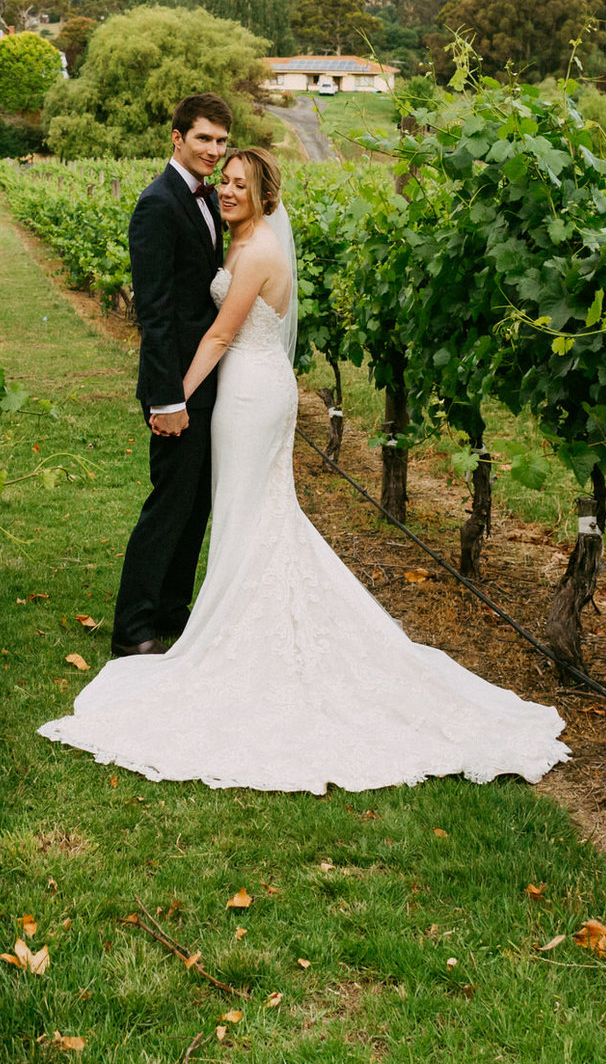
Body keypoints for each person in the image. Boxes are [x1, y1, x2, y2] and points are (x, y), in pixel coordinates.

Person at [43, 146, 570, 793]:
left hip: (249, 391)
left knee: (251, 508)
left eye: (240, 183)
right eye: (224, 181)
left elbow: (217, 336)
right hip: (248, 385)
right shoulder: (239, 237)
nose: (227, 189)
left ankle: (241, 628)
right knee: (246, 509)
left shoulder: (259, 250)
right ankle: (227, 610)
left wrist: (171, 399)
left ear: (265, 194)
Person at [106, 92, 232, 656]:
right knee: (169, 505)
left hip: (206, 382)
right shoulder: (158, 203)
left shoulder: (206, 199)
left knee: (197, 502)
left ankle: (172, 611)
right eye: (203, 138)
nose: (214, 150)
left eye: (221, 141)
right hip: (175, 386)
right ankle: (133, 629)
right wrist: (166, 400)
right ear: (176, 138)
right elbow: (153, 309)